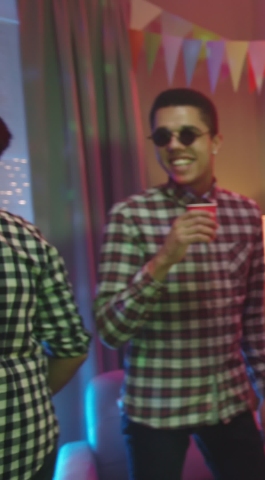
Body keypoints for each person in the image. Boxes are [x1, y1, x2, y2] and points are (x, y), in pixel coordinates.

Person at [93, 88, 265, 480]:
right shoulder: (130, 216)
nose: (175, 145)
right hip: (156, 407)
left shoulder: (245, 213)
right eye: (163, 136)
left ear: (215, 141)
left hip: (226, 399)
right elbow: (110, 330)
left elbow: (251, 318)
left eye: (188, 134)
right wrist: (163, 259)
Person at [0, 116, 91, 480]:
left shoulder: (28, 242)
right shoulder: (26, 240)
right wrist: (24, 397)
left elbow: (72, 347)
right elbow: (72, 348)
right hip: (25, 445)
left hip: (24, 449)